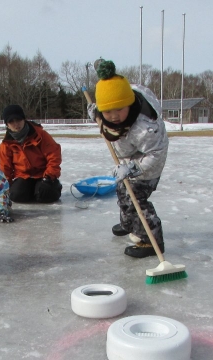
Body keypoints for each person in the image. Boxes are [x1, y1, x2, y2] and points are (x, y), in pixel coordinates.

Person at [87, 59, 168, 258]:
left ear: (129, 104)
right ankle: (129, 223)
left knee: (135, 200)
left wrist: (133, 168)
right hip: (129, 158)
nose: (114, 116)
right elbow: (107, 105)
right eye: (108, 111)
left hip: (148, 164)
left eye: (119, 109)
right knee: (122, 191)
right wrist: (96, 113)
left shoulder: (145, 128)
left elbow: (156, 154)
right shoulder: (109, 106)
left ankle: (151, 240)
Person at [0, 104, 62, 203]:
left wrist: (49, 176)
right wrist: (5, 187)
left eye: (18, 120)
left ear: (24, 119)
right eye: (11, 121)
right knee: (15, 195)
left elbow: (54, 156)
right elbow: (5, 168)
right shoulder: (5, 145)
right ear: (7, 124)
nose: (16, 124)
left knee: (45, 194)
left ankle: (50, 187)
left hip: (43, 174)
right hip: (23, 176)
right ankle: (33, 191)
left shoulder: (41, 135)